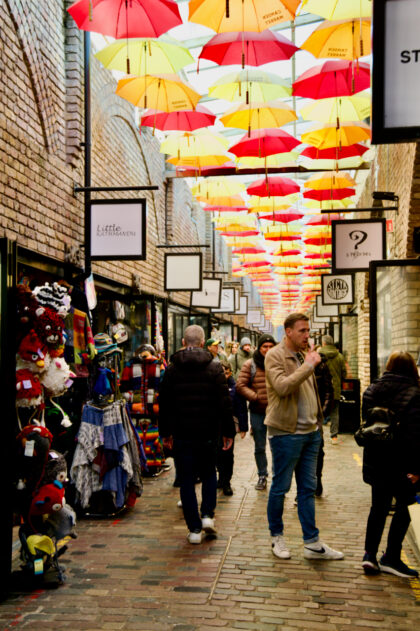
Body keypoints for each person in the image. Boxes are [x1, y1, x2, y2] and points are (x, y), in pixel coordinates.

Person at [264, 312, 344, 561]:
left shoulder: (303, 354)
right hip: (286, 433)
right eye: (302, 331)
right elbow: (283, 387)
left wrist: (320, 421)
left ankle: (312, 542)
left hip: (311, 433)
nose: (306, 335)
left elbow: (314, 389)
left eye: (308, 331)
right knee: (281, 487)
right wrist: (309, 365)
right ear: (288, 331)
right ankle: (277, 537)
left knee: (308, 489)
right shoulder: (275, 355)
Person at [158, 325, 235, 544]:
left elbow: (165, 404)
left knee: (187, 479)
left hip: (182, 433)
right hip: (209, 432)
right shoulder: (215, 367)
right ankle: (208, 515)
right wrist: (228, 431)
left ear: (183, 342)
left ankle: (194, 530)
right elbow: (224, 403)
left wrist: (166, 433)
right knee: (210, 473)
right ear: (203, 343)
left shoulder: (172, 369)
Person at [361, 351, 420, 578]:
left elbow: (368, 424)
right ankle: (391, 557)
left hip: (377, 458)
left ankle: (369, 555)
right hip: (403, 462)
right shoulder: (415, 393)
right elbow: (416, 434)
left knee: (378, 507)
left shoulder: (372, 390)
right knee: (405, 507)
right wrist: (417, 469)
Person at [236, 334, 277, 491]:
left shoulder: (280, 363)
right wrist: (255, 397)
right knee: (260, 446)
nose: (267, 350)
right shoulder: (251, 364)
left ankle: (277, 476)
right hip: (257, 412)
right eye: (264, 347)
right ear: (259, 348)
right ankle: (262, 475)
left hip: (277, 412)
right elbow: (240, 385)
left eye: (270, 346)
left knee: (277, 446)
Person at [218, 360, 248, 495]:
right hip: (215, 426)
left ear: (230, 372)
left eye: (227, 372)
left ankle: (226, 481)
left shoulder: (235, 388)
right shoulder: (213, 386)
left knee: (227, 455)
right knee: (217, 454)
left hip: (229, 426)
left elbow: (242, 408)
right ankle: (220, 478)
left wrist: (243, 427)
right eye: (221, 372)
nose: (224, 375)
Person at [319, 335, 347, 444]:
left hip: (321, 388)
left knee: (319, 411)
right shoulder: (339, 356)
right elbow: (343, 373)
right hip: (335, 388)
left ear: (324, 343)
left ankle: (318, 435)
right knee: (335, 412)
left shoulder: (318, 354)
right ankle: (334, 436)